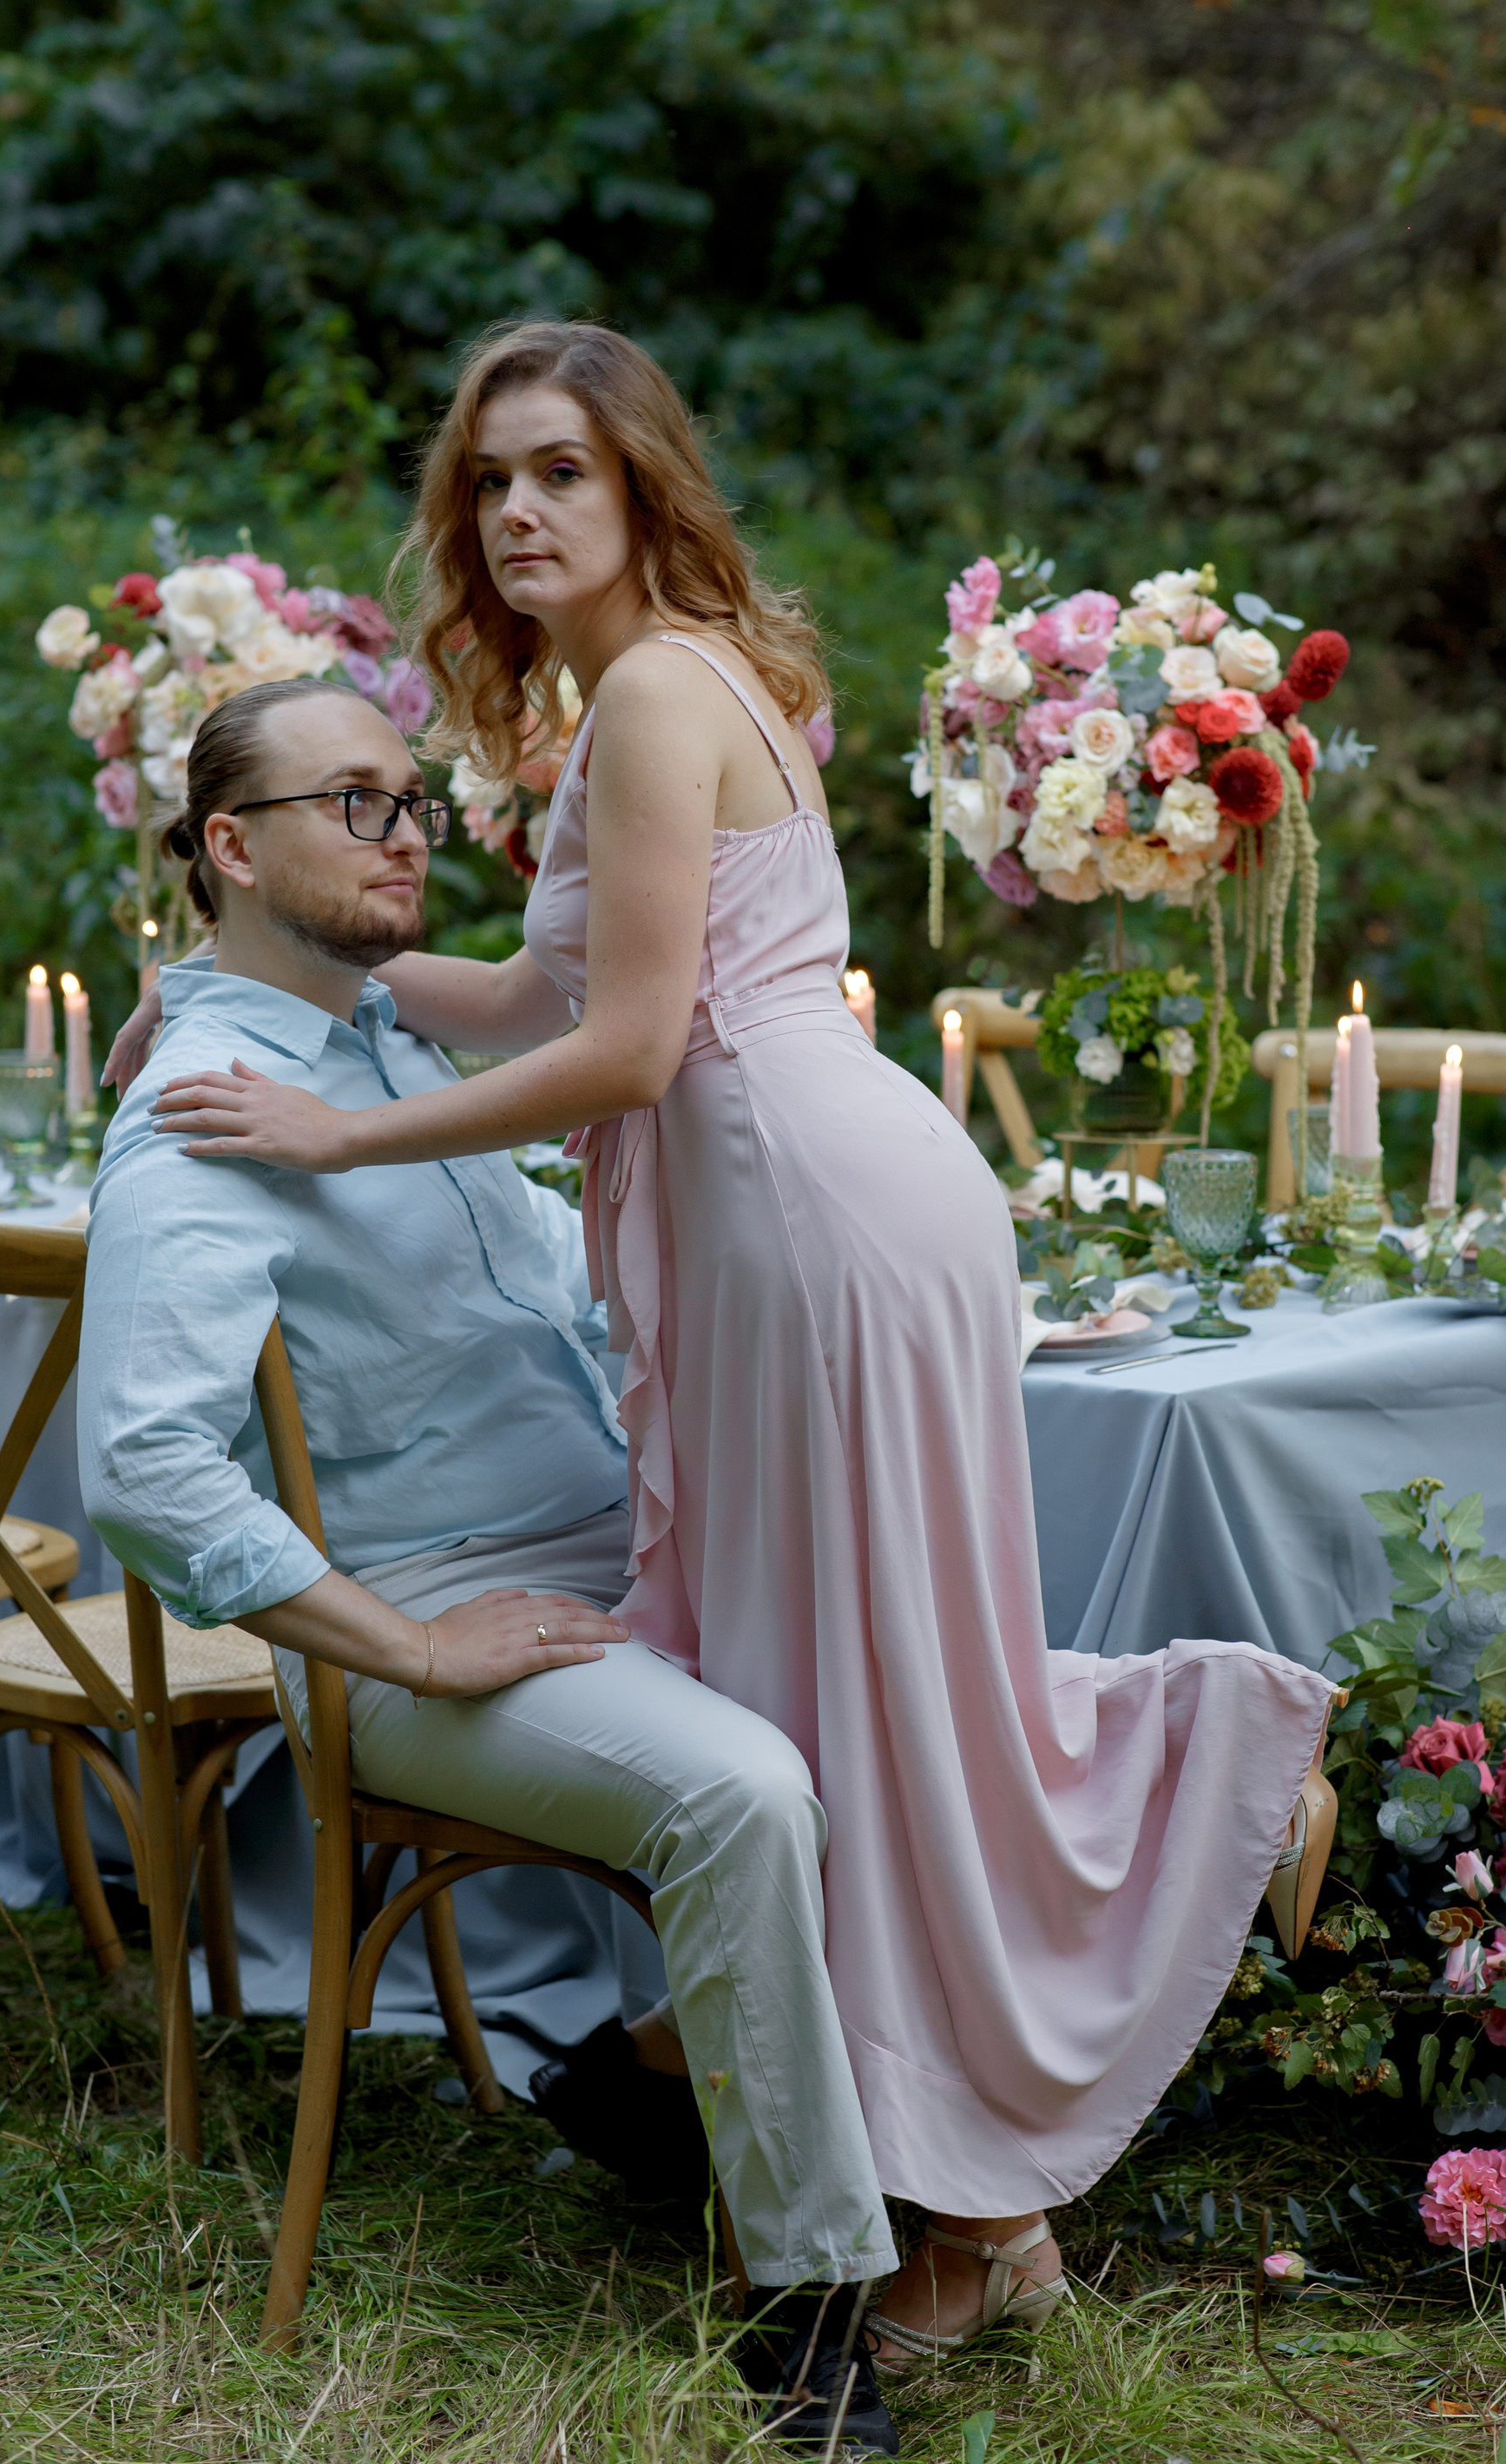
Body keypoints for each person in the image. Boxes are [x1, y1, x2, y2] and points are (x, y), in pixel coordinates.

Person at [142, 320, 1339, 2376]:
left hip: (808, 1218)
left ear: (645, 486)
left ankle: (981, 2197)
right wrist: (261, 975)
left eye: (563, 473)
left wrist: (335, 1130)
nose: (518, 513)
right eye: (491, 482)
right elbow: (540, 991)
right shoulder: (681, 678)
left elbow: (624, 1051)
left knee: (854, 1710)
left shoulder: (653, 695)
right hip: (825, 1199)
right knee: (858, 1690)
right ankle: (948, 2185)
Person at [81, 675, 907, 2459]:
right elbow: (141, 1463)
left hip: (621, 1549)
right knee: (746, 1794)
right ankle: (814, 2307)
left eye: (411, 802)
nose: (406, 838)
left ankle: (675, 2088)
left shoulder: (385, 1045)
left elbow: (565, 1242)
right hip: (431, 1619)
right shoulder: (208, 1110)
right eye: (354, 804)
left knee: (908, 1671)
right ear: (232, 847)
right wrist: (406, 1649)